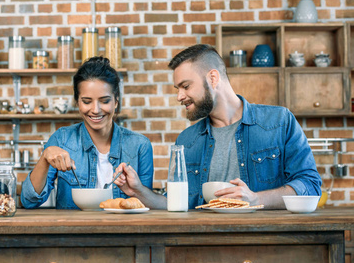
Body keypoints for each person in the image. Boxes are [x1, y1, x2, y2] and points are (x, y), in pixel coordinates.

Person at [114, 44, 321, 210]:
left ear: (213, 78)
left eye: (186, 86)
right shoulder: (187, 141)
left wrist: (255, 199)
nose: (179, 96)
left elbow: (310, 186)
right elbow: (176, 204)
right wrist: (138, 190)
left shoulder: (279, 121)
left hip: (269, 243)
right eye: (177, 89)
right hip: (204, 248)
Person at [21, 57, 154, 209]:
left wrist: (138, 190)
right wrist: (44, 159)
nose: (96, 110)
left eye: (104, 101)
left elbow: (146, 205)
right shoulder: (62, 139)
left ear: (116, 101)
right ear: (77, 103)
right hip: (71, 231)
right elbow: (28, 201)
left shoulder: (140, 146)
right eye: (86, 101)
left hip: (121, 232)